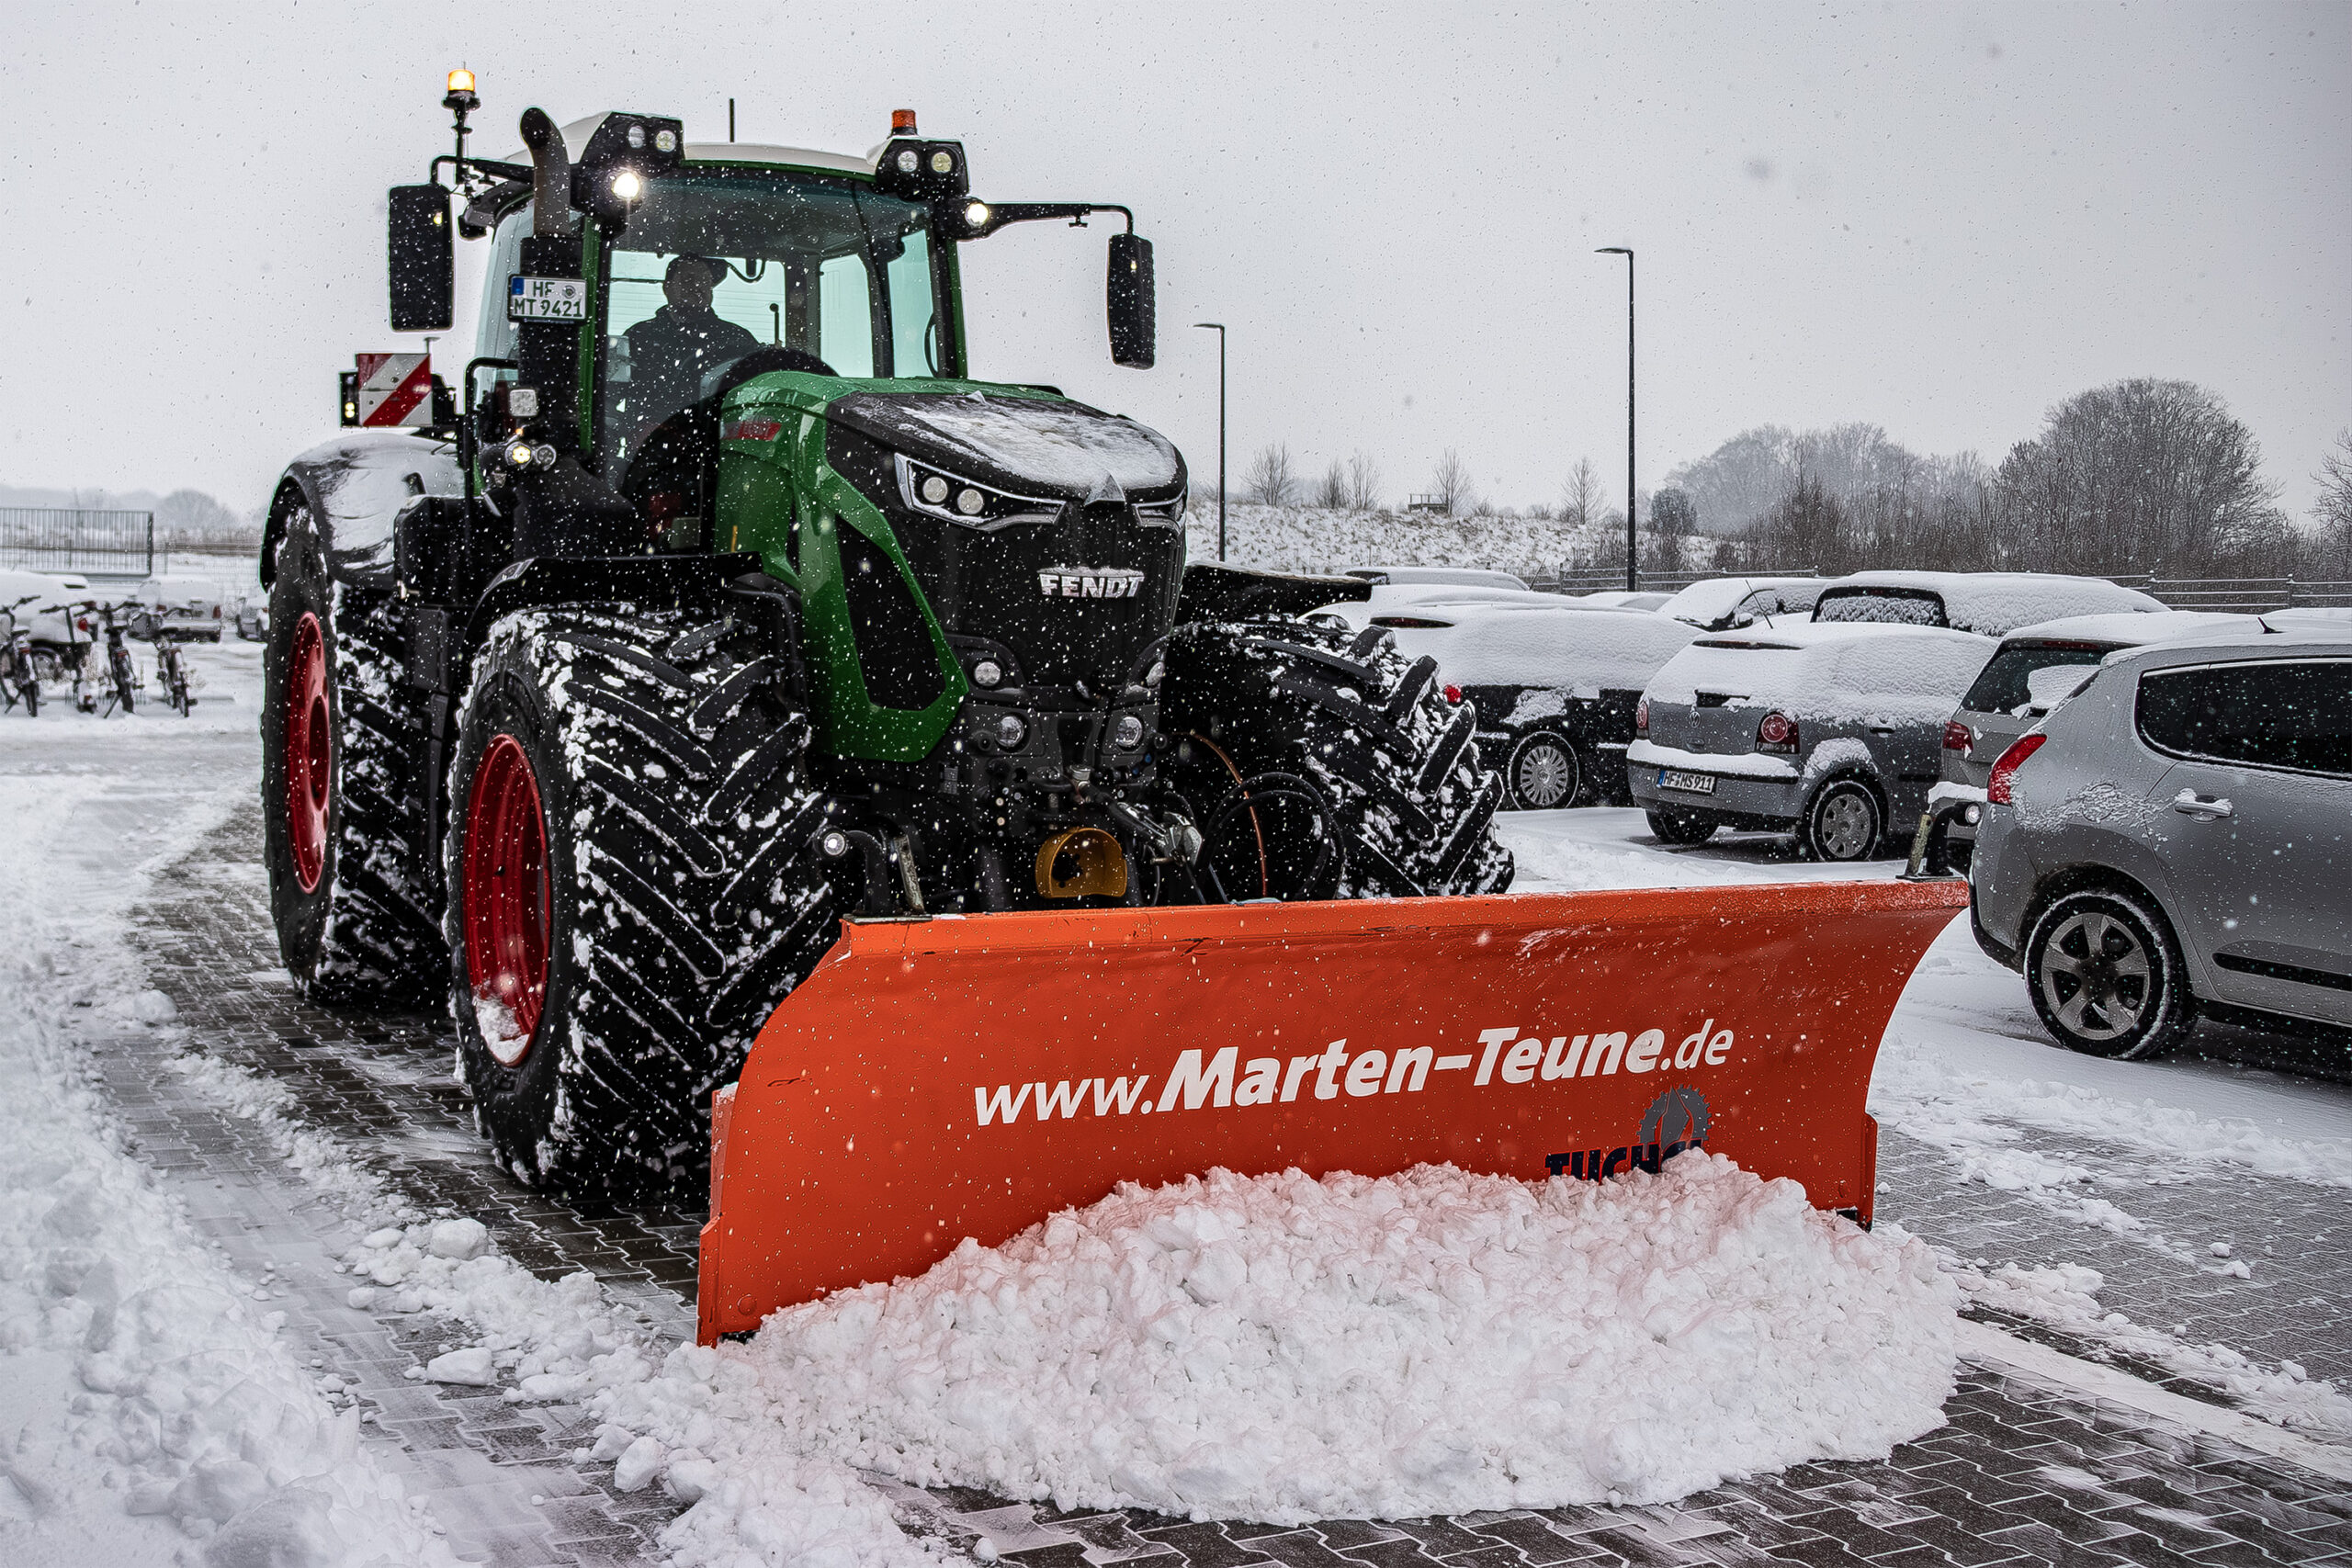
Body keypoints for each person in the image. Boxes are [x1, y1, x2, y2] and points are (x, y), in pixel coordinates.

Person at [623, 256, 760, 425]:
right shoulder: (639, 336)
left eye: (705, 282)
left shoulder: (737, 340)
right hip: (650, 444)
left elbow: (756, 395)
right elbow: (609, 397)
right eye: (688, 280)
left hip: (717, 441)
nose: (698, 287)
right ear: (667, 287)